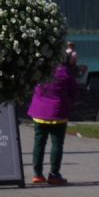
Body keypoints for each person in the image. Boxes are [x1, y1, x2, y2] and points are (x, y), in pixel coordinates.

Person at [27, 48, 78, 185]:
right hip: (58, 112)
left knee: (39, 142)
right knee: (57, 143)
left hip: (39, 111)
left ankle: (37, 174)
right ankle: (54, 174)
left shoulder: (41, 71)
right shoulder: (65, 72)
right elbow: (73, 91)